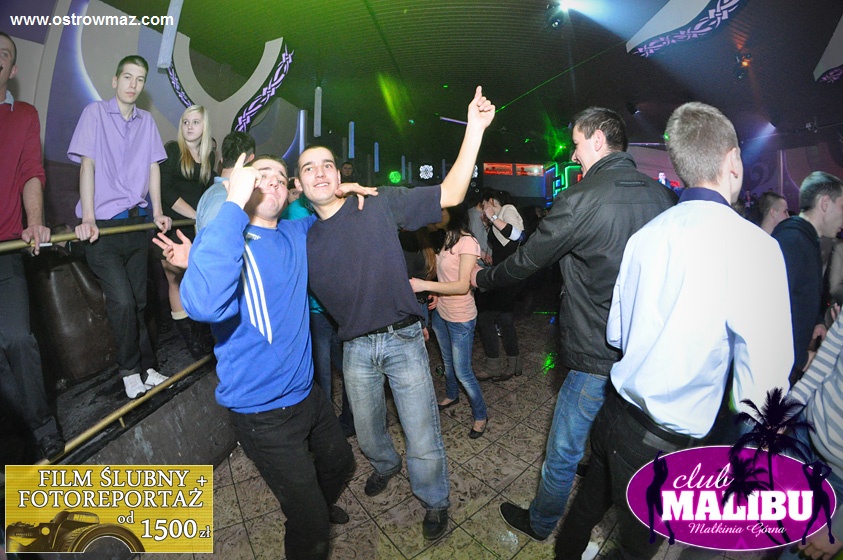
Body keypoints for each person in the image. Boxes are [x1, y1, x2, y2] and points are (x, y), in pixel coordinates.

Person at [553, 102, 792, 560]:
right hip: (664, 442)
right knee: (635, 549)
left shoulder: (647, 236)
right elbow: (763, 390)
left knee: (584, 511)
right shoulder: (756, 248)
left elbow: (618, 334)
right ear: (733, 161)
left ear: (681, 166)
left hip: (615, 415)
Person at [298, 86, 495, 541]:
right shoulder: (302, 238)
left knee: (421, 433)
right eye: (308, 168)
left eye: (327, 164)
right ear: (300, 185)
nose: (320, 172)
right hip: (354, 348)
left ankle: (434, 499)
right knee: (368, 434)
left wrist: (475, 129)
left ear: (340, 173)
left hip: (403, 338)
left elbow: (452, 192)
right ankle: (385, 465)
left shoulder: (378, 202)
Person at [475, 107, 677, 541]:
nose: (573, 153)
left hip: (594, 352)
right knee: (619, 433)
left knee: (563, 449)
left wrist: (483, 279)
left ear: (598, 140)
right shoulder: (662, 197)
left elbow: (528, 260)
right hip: (644, 351)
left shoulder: (581, 198)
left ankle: (541, 522)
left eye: (577, 144)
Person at [156, 154, 371, 560]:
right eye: (260, 175)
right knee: (310, 528)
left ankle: (313, 506)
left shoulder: (295, 232)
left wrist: (338, 190)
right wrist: (231, 206)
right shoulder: (226, 239)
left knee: (340, 463)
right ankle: (309, 515)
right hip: (263, 413)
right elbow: (204, 305)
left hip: (307, 395)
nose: (271, 181)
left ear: (288, 192)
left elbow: (328, 215)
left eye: (279, 177)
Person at [68, 54, 171, 399]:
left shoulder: (147, 122)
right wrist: (88, 218)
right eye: (127, 77)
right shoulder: (94, 113)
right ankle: (129, 371)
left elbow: (154, 168)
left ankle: (148, 367)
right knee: (124, 302)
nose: (133, 85)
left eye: (140, 79)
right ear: (115, 81)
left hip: (136, 225)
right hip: (103, 230)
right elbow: (87, 165)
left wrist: (158, 212)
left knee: (139, 303)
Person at [0, 31, 65, 461]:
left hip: (5, 248)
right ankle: (17, 439)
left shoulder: (23, 115)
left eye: (3, 54)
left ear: (12, 68)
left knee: (18, 339)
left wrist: (36, 221)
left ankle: (42, 427)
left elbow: (30, 172)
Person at [410, 204, 488, 438]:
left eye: (441, 210)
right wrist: (436, 291)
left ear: (453, 214)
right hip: (441, 313)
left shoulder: (468, 242)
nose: (435, 214)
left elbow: (462, 285)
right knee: (447, 362)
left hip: (461, 316)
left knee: (463, 371)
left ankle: (481, 415)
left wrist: (424, 285)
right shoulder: (446, 239)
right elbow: (446, 276)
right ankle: (452, 395)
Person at [773, 171, 843, 387]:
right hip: (777, 371)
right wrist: (800, 358)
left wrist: (816, 321)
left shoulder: (806, 240)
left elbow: (799, 295)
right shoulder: (793, 242)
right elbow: (773, 309)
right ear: (825, 203)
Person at [158, 105, 215, 358]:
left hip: (197, 229)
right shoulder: (173, 150)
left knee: (197, 280)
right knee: (176, 280)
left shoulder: (207, 157)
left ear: (205, 127)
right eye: (185, 122)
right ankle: (190, 339)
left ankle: (202, 332)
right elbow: (165, 190)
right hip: (174, 227)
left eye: (195, 122)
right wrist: (195, 215)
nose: (189, 127)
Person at [475, 189, 525, 381]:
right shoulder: (498, 216)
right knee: (504, 319)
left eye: (484, 204)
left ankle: (493, 366)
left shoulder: (507, 209)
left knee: (486, 319)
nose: (483, 208)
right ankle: (514, 365)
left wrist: (493, 217)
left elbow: (516, 235)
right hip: (503, 274)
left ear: (491, 201)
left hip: (509, 276)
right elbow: (501, 244)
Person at [194, 131, 255, 231]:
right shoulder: (224, 197)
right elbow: (212, 238)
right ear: (251, 159)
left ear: (222, 160)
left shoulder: (218, 192)